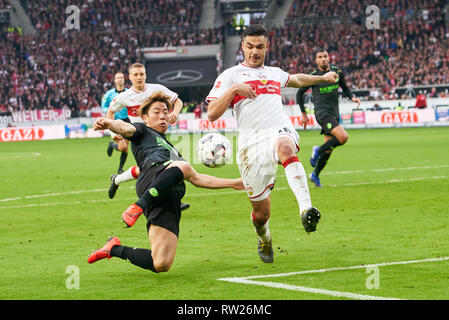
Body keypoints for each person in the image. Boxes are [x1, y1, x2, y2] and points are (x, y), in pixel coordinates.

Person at [205, 24, 338, 263]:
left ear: (267, 46)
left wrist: (322, 78)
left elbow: (296, 79)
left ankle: (306, 209)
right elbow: (212, 113)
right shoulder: (230, 76)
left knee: (285, 147)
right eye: (250, 46)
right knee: (261, 213)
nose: (254, 51)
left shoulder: (274, 73)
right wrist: (235, 89)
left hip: (278, 129)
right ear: (242, 46)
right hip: (250, 144)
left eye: (260, 47)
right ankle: (264, 238)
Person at [88, 91, 243, 273]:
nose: (163, 116)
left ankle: (113, 248)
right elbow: (126, 128)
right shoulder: (142, 130)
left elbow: (197, 178)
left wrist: (234, 183)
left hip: (169, 201)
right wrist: (109, 123)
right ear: (144, 117)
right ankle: (138, 206)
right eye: (157, 112)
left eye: (165, 112)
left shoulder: (171, 148)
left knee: (161, 263)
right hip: (152, 179)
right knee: (184, 167)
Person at [106, 63, 190, 212]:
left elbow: (177, 101)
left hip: (158, 136)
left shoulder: (156, 89)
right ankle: (163, 200)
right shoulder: (125, 97)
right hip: (140, 139)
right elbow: (110, 112)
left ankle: (117, 179)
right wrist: (113, 133)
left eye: (142, 74)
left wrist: (175, 113)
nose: (139, 77)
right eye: (136, 75)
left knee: (156, 167)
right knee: (168, 165)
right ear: (130, 77)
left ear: (145, 75)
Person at [297, 49, 360, 188]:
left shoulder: (337, 72)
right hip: (322, 113)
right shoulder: (313, 76)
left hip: (334, 113)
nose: (323, 59)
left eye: (325, 56)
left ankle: (315, 175)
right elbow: (299, 93)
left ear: (329, 58)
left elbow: (344, 87)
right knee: (343, 137)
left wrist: (352, 97)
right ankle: (317, 150)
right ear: (316, 61)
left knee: (329, 148)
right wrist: (303, 114)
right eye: (320, 57)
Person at [101, 72, 129, 174]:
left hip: (127, 121)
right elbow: (103, 105)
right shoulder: (109, 94)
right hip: (115, 122)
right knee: (124, 147)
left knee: (125, 149)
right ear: (115, 80)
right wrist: (108, 113)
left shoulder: (128, 92)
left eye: (121, 77)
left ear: (124, 79)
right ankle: (112, 144)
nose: (120, 79)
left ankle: (120, 168)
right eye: (118, 78)